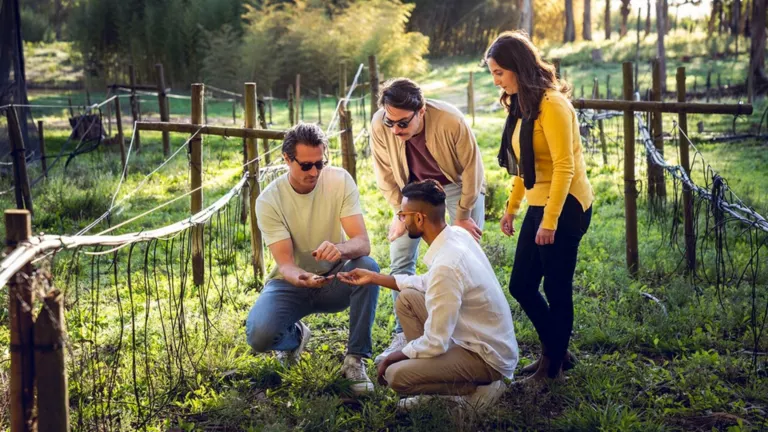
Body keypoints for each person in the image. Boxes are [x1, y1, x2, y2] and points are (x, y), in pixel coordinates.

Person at [338, 180, 518, 411]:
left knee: (395, 375)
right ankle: (439, 372)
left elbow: (436, 341)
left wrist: (396, 356)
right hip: (474, 338)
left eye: (403, 215)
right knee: (407, 300)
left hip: (487, 357)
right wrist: (374, 277)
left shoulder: (447, 265)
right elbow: (425, 282)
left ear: (419, 219)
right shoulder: (456, 235)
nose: (401, 220)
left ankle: (476, 392)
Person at [485, 31, 594, 383]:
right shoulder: (522, 105)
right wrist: (511, 208)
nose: (496, 80)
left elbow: (564, 167)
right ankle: (557, 351)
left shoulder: (553, 104)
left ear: (518, 67)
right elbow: (525, 165)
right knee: (521, 284)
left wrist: (549, 221)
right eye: (493, 73)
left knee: (557, 289)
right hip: (539, 203)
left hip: (566, 205)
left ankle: (552, 367)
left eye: (499, 72)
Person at [244, 123, 380, 395]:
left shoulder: (339, 180)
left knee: (368, 267)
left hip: (336, 278)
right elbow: (285, 264)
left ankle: (355, 360)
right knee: (258, 335)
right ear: (286, 159)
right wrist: (301, 277)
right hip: (291, 282)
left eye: (320, 163)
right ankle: (295, 337)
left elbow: (362, 243)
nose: (315, 172)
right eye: (306, 166)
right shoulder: (269, 200)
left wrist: (340, 249)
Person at [370, 78, 486, 365]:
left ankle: (468, 337)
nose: (395, 130)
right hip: (412, 191)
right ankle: (403, 333)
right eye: (390, 122)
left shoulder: (450, 120)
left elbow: (473, 169)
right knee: (400, 257)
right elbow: (384, 173)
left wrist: (462, 216)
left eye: (403, 123)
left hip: (456, 185)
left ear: (421, 111)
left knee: (464, 259)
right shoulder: (380, 124)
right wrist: (400, 213)